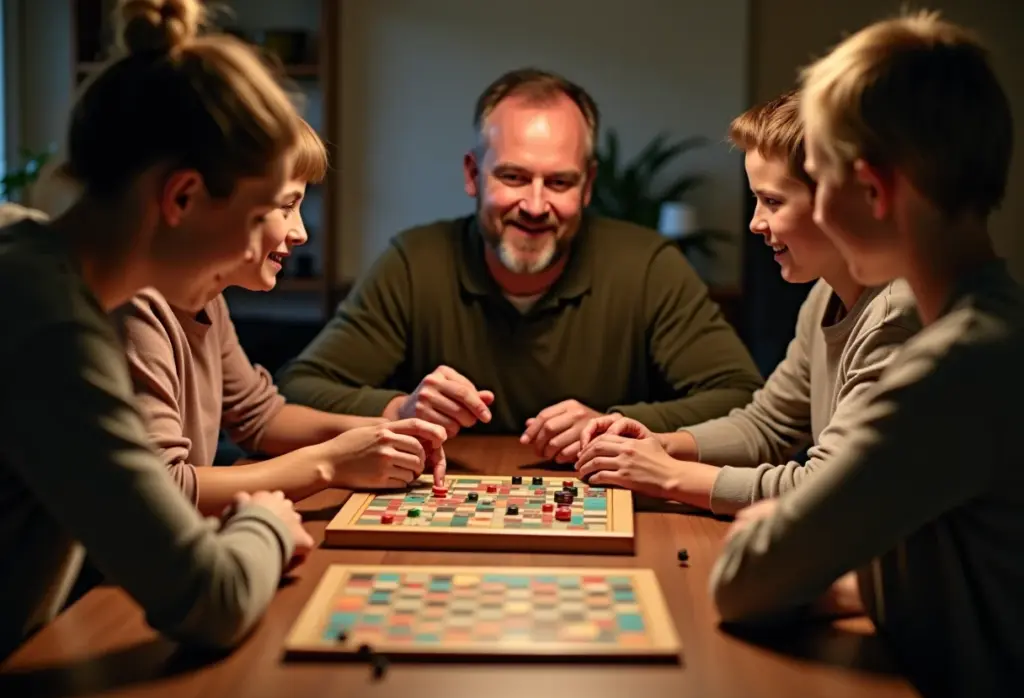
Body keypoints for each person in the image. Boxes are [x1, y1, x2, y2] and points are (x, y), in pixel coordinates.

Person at [707, 12, 1023, 698]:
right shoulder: (994, 330)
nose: (811, 210)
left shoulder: (952, 367)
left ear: (876, 191)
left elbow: (744, 581)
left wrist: (782, 539)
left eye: (818, 181)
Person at [0, 0, 313, 661]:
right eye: (263, 213)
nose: (276, 239)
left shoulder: (25, 251)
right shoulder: (54, 330)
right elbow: (212, 597)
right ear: (181, 198)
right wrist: (266, 520)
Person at [276, 67, 763, 462]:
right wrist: (397, 409)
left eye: (559, 182)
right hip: (446, 505)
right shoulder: (414, 262)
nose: (534, 205)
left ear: (588, 186)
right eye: (512, 176)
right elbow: (297, 391)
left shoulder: (649, 266)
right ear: (474, 175)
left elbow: (741, 398)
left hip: (600, 505)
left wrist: (615, 421)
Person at [574, 90, 919, 514]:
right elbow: (769, 425)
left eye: (772, 201)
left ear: (843, 200)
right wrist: (660, 445)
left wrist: (668, 475)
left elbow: (834, 490)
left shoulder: (897, 316)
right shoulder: (825, 295)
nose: (755, 222)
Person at [119, 118, 448, 518]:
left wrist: (382, 431)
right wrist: (328, 464)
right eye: (287, 206)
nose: (301, 233)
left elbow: (260, 416)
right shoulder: (137, 306)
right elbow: (162, 488)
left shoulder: (209, 300)